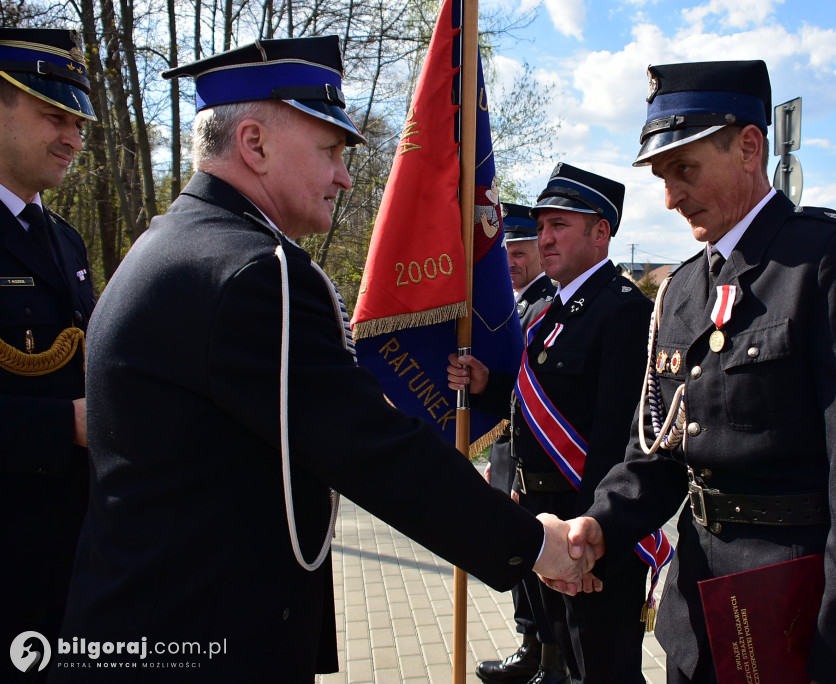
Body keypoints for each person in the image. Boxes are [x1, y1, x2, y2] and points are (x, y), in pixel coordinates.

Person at [53, 36, 588, 683]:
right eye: (330, 151)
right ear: (254, 144)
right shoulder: (257, 271)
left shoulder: (170, 244)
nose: (344, 174)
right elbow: (371, 450)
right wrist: (535, 545)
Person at [550, 60, 836, 684]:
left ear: (749, 146)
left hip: (799, 621)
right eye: (662, 176)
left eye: (685, 169)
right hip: (701, 619)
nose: (671, 197)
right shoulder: (679, 291)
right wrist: (600, 524)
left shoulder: (828, 261)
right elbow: (660, 454)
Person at [448, 164, 655, 684]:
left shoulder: (624, 310)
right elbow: (536, 400)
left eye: (559, 226)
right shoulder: (547, 308)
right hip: (542, 516)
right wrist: (486, 385)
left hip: (586, 525)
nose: (545, 239)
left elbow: (615, 440)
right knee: (558, 650)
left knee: (603, 667)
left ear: (600, 232)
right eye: (541, 227)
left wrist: (588, 538)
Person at [0, 27, 97, 683]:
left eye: (79, 121)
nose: (72, 137)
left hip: (73, 569)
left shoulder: (64, 240)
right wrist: (67, 424)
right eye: (52, 115)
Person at [477, 203, 563, 684]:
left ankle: (551, 659)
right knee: (521, 558)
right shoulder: (512, 304)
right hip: (512, 453)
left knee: (539, 559)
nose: (510, 260)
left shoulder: (549, 302)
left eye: (521, 250)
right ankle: (531, 646)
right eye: (505, 251)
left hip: (547, 458)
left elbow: (535, 391)